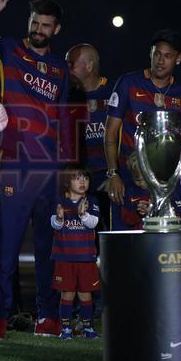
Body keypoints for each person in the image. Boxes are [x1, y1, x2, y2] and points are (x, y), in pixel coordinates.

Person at [0, 0, 72, 339]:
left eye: (46, 25)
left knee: (49, 247)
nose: (39, 29)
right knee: (6, 247)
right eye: (35, 22)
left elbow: (62, 119)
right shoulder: (8, 50)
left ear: (56, 29)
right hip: (13, 165)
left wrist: (64, 172)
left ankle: (48, 315)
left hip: (48, 170)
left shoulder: (61, 69)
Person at [104, 29, 181, 231]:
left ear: (178, 59)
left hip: (168, 182)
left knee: (165, 240)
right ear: (150, 54)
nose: (160, 61)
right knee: (126, 241)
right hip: (130, 179)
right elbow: (110, 133)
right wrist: (113, 174)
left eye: (167, 56)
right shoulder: (128, 83)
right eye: (156, 54)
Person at [66, 44, 114, 229]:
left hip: (110, 181)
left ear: (89, 66)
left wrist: (116, 174)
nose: (67, 69)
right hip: (80, 180)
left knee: (112, 238)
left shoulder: (114, 92)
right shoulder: (67, 97)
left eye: (72, 64)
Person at [50, 167, 100, 340]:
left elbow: (93, 223)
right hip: (64, 258)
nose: (82, 182)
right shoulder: (59, 201)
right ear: (67, 182)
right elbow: (54, 225)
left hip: (86, 258)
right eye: (77, 178)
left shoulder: (91, 201)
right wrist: (59, 218)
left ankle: (88, 328)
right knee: (67, 294)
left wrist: (83, 214)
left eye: (85, 178)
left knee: (86, 294)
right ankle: (66, 329)